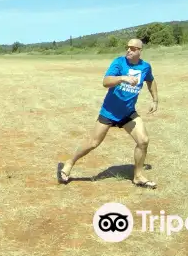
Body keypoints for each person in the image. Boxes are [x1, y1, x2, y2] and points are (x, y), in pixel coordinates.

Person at [58, 38, 159, 189]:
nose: (129, 50)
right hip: (110, 111)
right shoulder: (119, 63)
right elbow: (105, 82)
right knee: (93, 143)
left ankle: (138, 176)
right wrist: (122, 78)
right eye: (128, 47)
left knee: (143, 141)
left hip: (128, 113)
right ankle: (69, 163)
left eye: (133, 48)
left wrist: (155, 100)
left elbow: (150, 80)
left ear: (139, 51)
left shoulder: (145, 67)